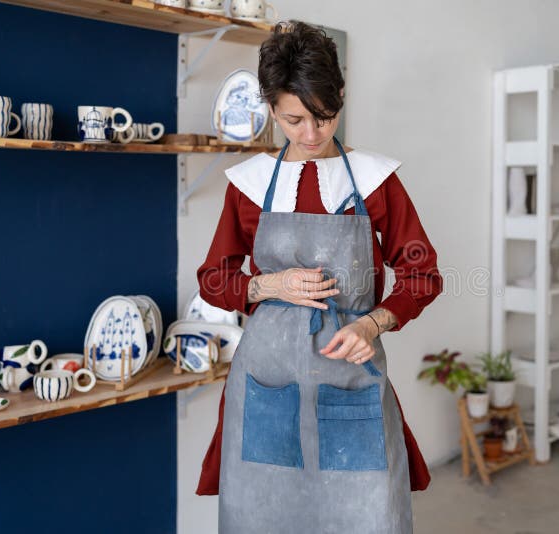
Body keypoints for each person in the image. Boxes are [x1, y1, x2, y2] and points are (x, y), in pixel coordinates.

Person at [195, 20, 443, 533]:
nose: (311, 135)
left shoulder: (376, 182)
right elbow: (214, 278)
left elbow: (422, 274)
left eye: (324, 117)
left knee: (370, 516)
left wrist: (372, 324)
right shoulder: (249, 184)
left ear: (341, 97)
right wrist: (268, 286)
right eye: (294, 120)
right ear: (270, 109)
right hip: (267, 381)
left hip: (350, 377)